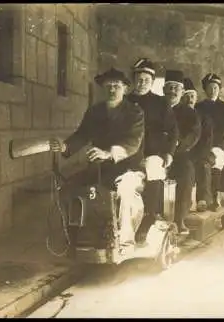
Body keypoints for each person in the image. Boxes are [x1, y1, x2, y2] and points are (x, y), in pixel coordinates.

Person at [49, 68, 145, 245]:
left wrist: (108, 153)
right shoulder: (95, 112)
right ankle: (75, 239)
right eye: (108, 86)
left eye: (116, 86)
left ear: (124, 88)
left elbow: (133, 142)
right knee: (68, 190)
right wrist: (65, 146)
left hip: (129, 168)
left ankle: (125, 241)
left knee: (125, 192)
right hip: (101, 169)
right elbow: (82, 135)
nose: (112, 90)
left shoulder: (135, 113)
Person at [127, 58, 179, 243]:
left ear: (152, 82)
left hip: (152, 152)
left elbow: (173, 131)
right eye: (139, 80)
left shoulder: (160, 103)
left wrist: (169, 153)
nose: (142, 83)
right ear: (133, 80)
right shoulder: (125, 101)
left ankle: (149, 215)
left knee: (153, 167)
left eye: (146, 80)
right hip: (128, 153)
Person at [165, 72, 201, 235]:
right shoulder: (157, 107)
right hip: (157, 153)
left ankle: (180, 219)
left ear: (181, 92)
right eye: (170, 87)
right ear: (164, 89)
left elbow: (194, 134)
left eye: (177, 88)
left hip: (180, 155)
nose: (173, 91)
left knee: (187, 173)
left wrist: (177, 147)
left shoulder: (189, 112)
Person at [194, 73, 224, 211]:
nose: (212, 91)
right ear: (205, 89)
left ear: (219, 89)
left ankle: (214, 197)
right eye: (209, 88)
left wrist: (213, 145)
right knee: (202, 163)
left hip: (217, 144)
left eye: (215, 87)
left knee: (214, 162)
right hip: (201, 144)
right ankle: (203, 199)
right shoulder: (198, 107)